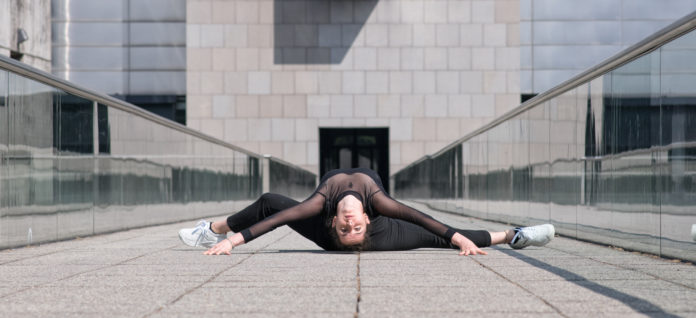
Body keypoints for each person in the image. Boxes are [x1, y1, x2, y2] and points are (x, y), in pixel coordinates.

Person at [178, 167, 555, 256]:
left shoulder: (325, 205)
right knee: (269, 200)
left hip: (361, 234)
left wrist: (234, 241)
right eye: (353, 228)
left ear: (337, 224)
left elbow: (283, 220)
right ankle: (209, 228)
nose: (350, 223)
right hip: (370, 235)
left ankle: (513, 235)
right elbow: (418, 217)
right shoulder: (376, 201)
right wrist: (229, 239)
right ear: (366, 221)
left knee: (272, 203)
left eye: (347, 229)